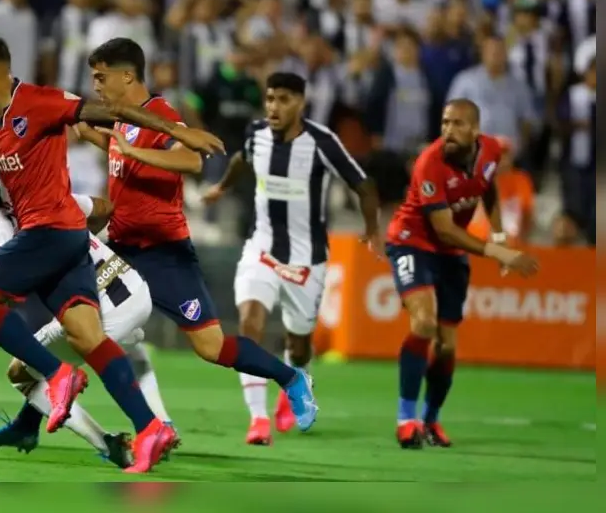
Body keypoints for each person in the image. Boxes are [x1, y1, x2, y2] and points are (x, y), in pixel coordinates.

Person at [0, 33, 222, 474]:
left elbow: (110, 110)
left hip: (50, 229)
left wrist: (177, 131)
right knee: (88, 337)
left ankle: (56, 376)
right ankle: (150, 428)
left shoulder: (41, 101)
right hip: (65, 239)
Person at [73, 38, 320, 440]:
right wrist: (97, 137)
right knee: (83, 326)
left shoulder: (161, 114)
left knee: (211, 347)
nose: (96, 85)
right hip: (121, 247)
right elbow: (120, 149)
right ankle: (145, 425)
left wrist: (132, 151)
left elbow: (190, 159)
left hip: (163, 252)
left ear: (128, 75)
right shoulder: (122, 119)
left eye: (101, 77)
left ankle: (291, 378)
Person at [0, 169, 173, 468]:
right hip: (134, 287)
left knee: (23, 372)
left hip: (105, 308)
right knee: (107, 351)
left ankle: (119, 440)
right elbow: (104, 208)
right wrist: (82, 247)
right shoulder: (44, 199)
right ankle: (26, 427)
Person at [203, 72, 382, 445]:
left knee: (298, 343)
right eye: (270, 98)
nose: (274, 107)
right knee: (249, 324)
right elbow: (240, 159)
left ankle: (295, 384)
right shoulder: (257, 134)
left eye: (284, 99)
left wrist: (371, 228)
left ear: (301, 103)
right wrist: (222, 187)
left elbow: (363, 184)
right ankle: (257, 420)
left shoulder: (321, 142)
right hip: (262, 249)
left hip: (306, 260)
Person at [386, 99, 540, 449]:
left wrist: (498, 232)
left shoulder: (491, 150)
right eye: (444, 123)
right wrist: (500, 251)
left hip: (452, 255)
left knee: (446, 347)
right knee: (423, 324)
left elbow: (488, 186)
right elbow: (443, 230)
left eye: (457, 124)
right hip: (413, 241)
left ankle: (431, 421)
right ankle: (405, 419)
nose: (448, 131)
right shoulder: (430, 162)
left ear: (474, 129)